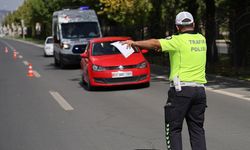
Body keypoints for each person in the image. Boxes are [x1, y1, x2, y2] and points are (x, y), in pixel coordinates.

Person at [123, 11, 207, 150]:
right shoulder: (201, 39)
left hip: (181, 91)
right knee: (197, 130)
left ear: (177, 27)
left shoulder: (177, 40)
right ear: (193, 24)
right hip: (200, 91)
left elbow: (155, 43)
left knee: (173, 129)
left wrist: (134, 43)